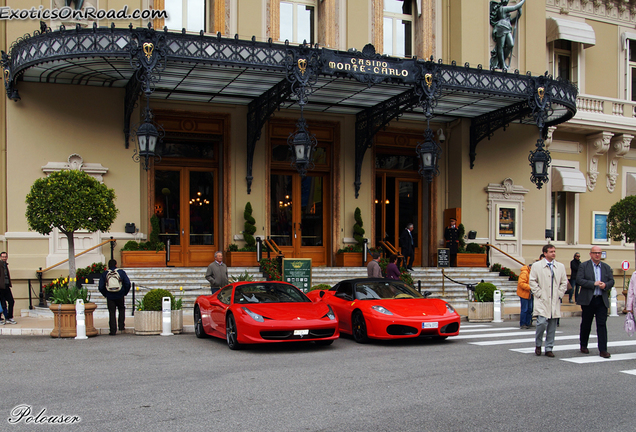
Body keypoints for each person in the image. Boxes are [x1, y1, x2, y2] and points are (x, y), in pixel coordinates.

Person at [529, 244, 567, 357]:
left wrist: (560, 294)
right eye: (551, 251)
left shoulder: (560, 266)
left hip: (554, 300)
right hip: (542, 299)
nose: (553, 253)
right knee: (541, 323)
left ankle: (549, 347)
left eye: (554, 251)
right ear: (545, 253)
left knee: (552, 326)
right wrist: (539, 293)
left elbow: (564, 282)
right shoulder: (537, 266)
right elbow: (532, 281)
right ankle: (538, 344)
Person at [576, 246, 614, 359]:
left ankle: (603, 350)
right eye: (595, 253)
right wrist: (593, 283)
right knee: (586, 323)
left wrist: (605, 285)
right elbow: (579, 280)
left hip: (601, 299)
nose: (597, 255)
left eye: (599, 253)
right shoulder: (584, 266)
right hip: (589, 299)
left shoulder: (606, 267)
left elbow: (612, 280)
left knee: (601, 324)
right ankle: (583, 345)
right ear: (590, 254)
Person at [489, 0, 526, 70]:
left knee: (510, 45)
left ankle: (501, 61)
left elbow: (511, 21)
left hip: (508, 28)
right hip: (501, 27)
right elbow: (515, 7)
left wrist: (519, 15)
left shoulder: (506, 11)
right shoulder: (502, 8)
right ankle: (502, 65)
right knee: (501, 46)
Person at [98, 259, 131, 335]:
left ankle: (113, 330)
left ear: (108, 265)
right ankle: (121, 326)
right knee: (121, 309)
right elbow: (127, 283)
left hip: (110, 295)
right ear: (116, 265)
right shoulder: (121, 272)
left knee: (112, 312)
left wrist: (105, 294)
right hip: (120, 294)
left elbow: (101, 286)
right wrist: (124, 292)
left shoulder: (105, 274)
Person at [0, 252, 16, 325]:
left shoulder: (5, 265)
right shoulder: (0, 265)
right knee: (2, 303)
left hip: (6, 286)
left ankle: (9, 317)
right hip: (0, 287)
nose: (4, 258)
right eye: (3, 257)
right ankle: (2, 318)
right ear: (0, 257)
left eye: (5, 257)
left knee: (11, 301)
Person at [517, 262, 533, 329]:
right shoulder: (525, 272)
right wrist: (531, 287)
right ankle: (523, 323)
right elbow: (521, 283)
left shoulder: (530, 272)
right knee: (525, 309)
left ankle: (528, 322)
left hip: (529, 293)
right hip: (524, 293)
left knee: (530, 309)